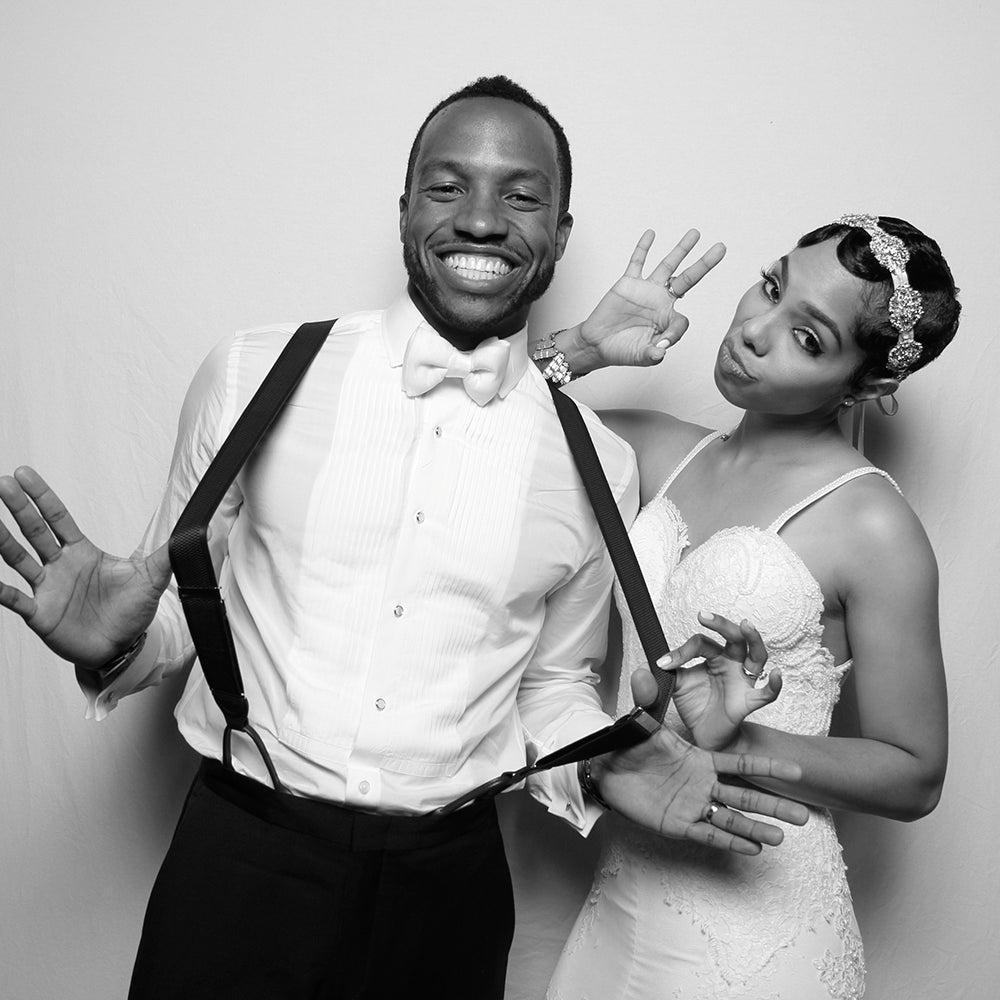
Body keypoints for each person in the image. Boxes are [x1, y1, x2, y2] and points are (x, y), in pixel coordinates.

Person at [0, 76, 807, 999]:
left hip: (451, 891)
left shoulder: (595, 460)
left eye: (520, 194)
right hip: (241, 864)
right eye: (447, 185)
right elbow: (181, 609)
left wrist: (620, 752)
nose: (480, 219)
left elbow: (548, 685)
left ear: (561, 233)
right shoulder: (254, 373)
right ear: (404, 209)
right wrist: (120, 646)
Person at [540, 215, 958, 998]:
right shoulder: (656, 449)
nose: (755, 332)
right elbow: (471, 427)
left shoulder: (872, 524)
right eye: (770, 286)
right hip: (626, 893)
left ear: (865, 385)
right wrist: (586, 348)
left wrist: (740, 738)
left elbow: (915, 775)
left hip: (761, 926)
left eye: (808, 338)